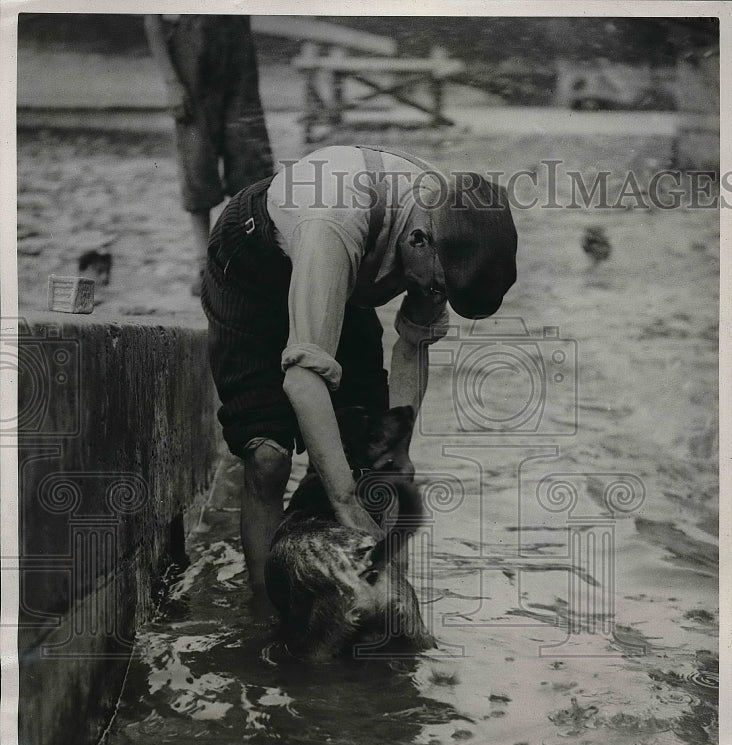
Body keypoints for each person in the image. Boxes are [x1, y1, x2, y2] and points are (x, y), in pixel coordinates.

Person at [202, 145, 517, 613]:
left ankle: (350, 597)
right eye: (434, 289)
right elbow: (303, 380)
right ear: (418, 241)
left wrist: (399, 449)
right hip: (252, 264)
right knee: (268, 459)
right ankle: (265, 619)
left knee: (374, 454)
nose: (432, 297)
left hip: (345, 282)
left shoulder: (448, 227)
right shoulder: (335, 221)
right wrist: (345, 502)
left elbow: (411, 345)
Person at [144, 14, 273, 295]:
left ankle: (242, 259)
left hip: (238, 55)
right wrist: (171, 83)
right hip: (192, 58)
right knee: (197, 160)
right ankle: (204, 265)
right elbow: (151, 18)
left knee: (250, 160)